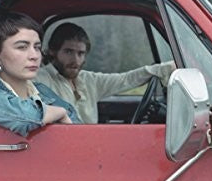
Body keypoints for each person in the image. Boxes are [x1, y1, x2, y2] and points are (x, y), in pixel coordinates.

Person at [37, 22, 175, 123]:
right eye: (68, 52)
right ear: (53, 51)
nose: (75, 60)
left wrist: (165, 68)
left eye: (81, 53)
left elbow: (125, 79)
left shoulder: (88, 80)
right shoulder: (41, 79)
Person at [0, 12, 81, 137]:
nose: (34, 56)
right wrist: (60, 112)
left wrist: (59, 113)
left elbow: (77, 126)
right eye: (22, 47)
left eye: (37, 47)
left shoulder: (41, 90)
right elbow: (28, 117)